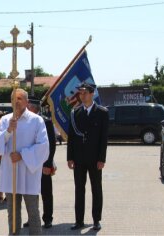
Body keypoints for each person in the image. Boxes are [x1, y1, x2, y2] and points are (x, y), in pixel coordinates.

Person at [0, 88, 50, 235]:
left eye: (20, 98)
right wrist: (8, 130)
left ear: (26, 101)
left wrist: (23, 155)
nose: (16, 102)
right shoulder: (5, 120)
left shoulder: (36, 120)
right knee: (13, 212)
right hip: (11, 174)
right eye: (13, 99)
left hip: (29, 173)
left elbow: (43, 146)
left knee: (33, 212)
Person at [67, 82, 109, 231]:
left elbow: (103, 138)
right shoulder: (75, 113)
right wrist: (69, 157)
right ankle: (79, 220)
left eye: (85, 92)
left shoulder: (102, 112)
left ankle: (96, 220)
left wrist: (102, 159)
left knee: (96, 189)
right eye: (80, 93)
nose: (82, 95)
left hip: (94, 159)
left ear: (92, 94)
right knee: (79, 189)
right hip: (78, 158)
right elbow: (71, 137)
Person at [24, 96, 56, 229]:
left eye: (28, 106)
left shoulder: (46, 122)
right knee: (31, 193)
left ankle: (47, 218)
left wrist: (48, 164)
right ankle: (32, 217)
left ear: (33, 107)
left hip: (43, 163)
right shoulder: (24, 122)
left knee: (46, 192)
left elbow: (51, 145)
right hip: (29, 164)